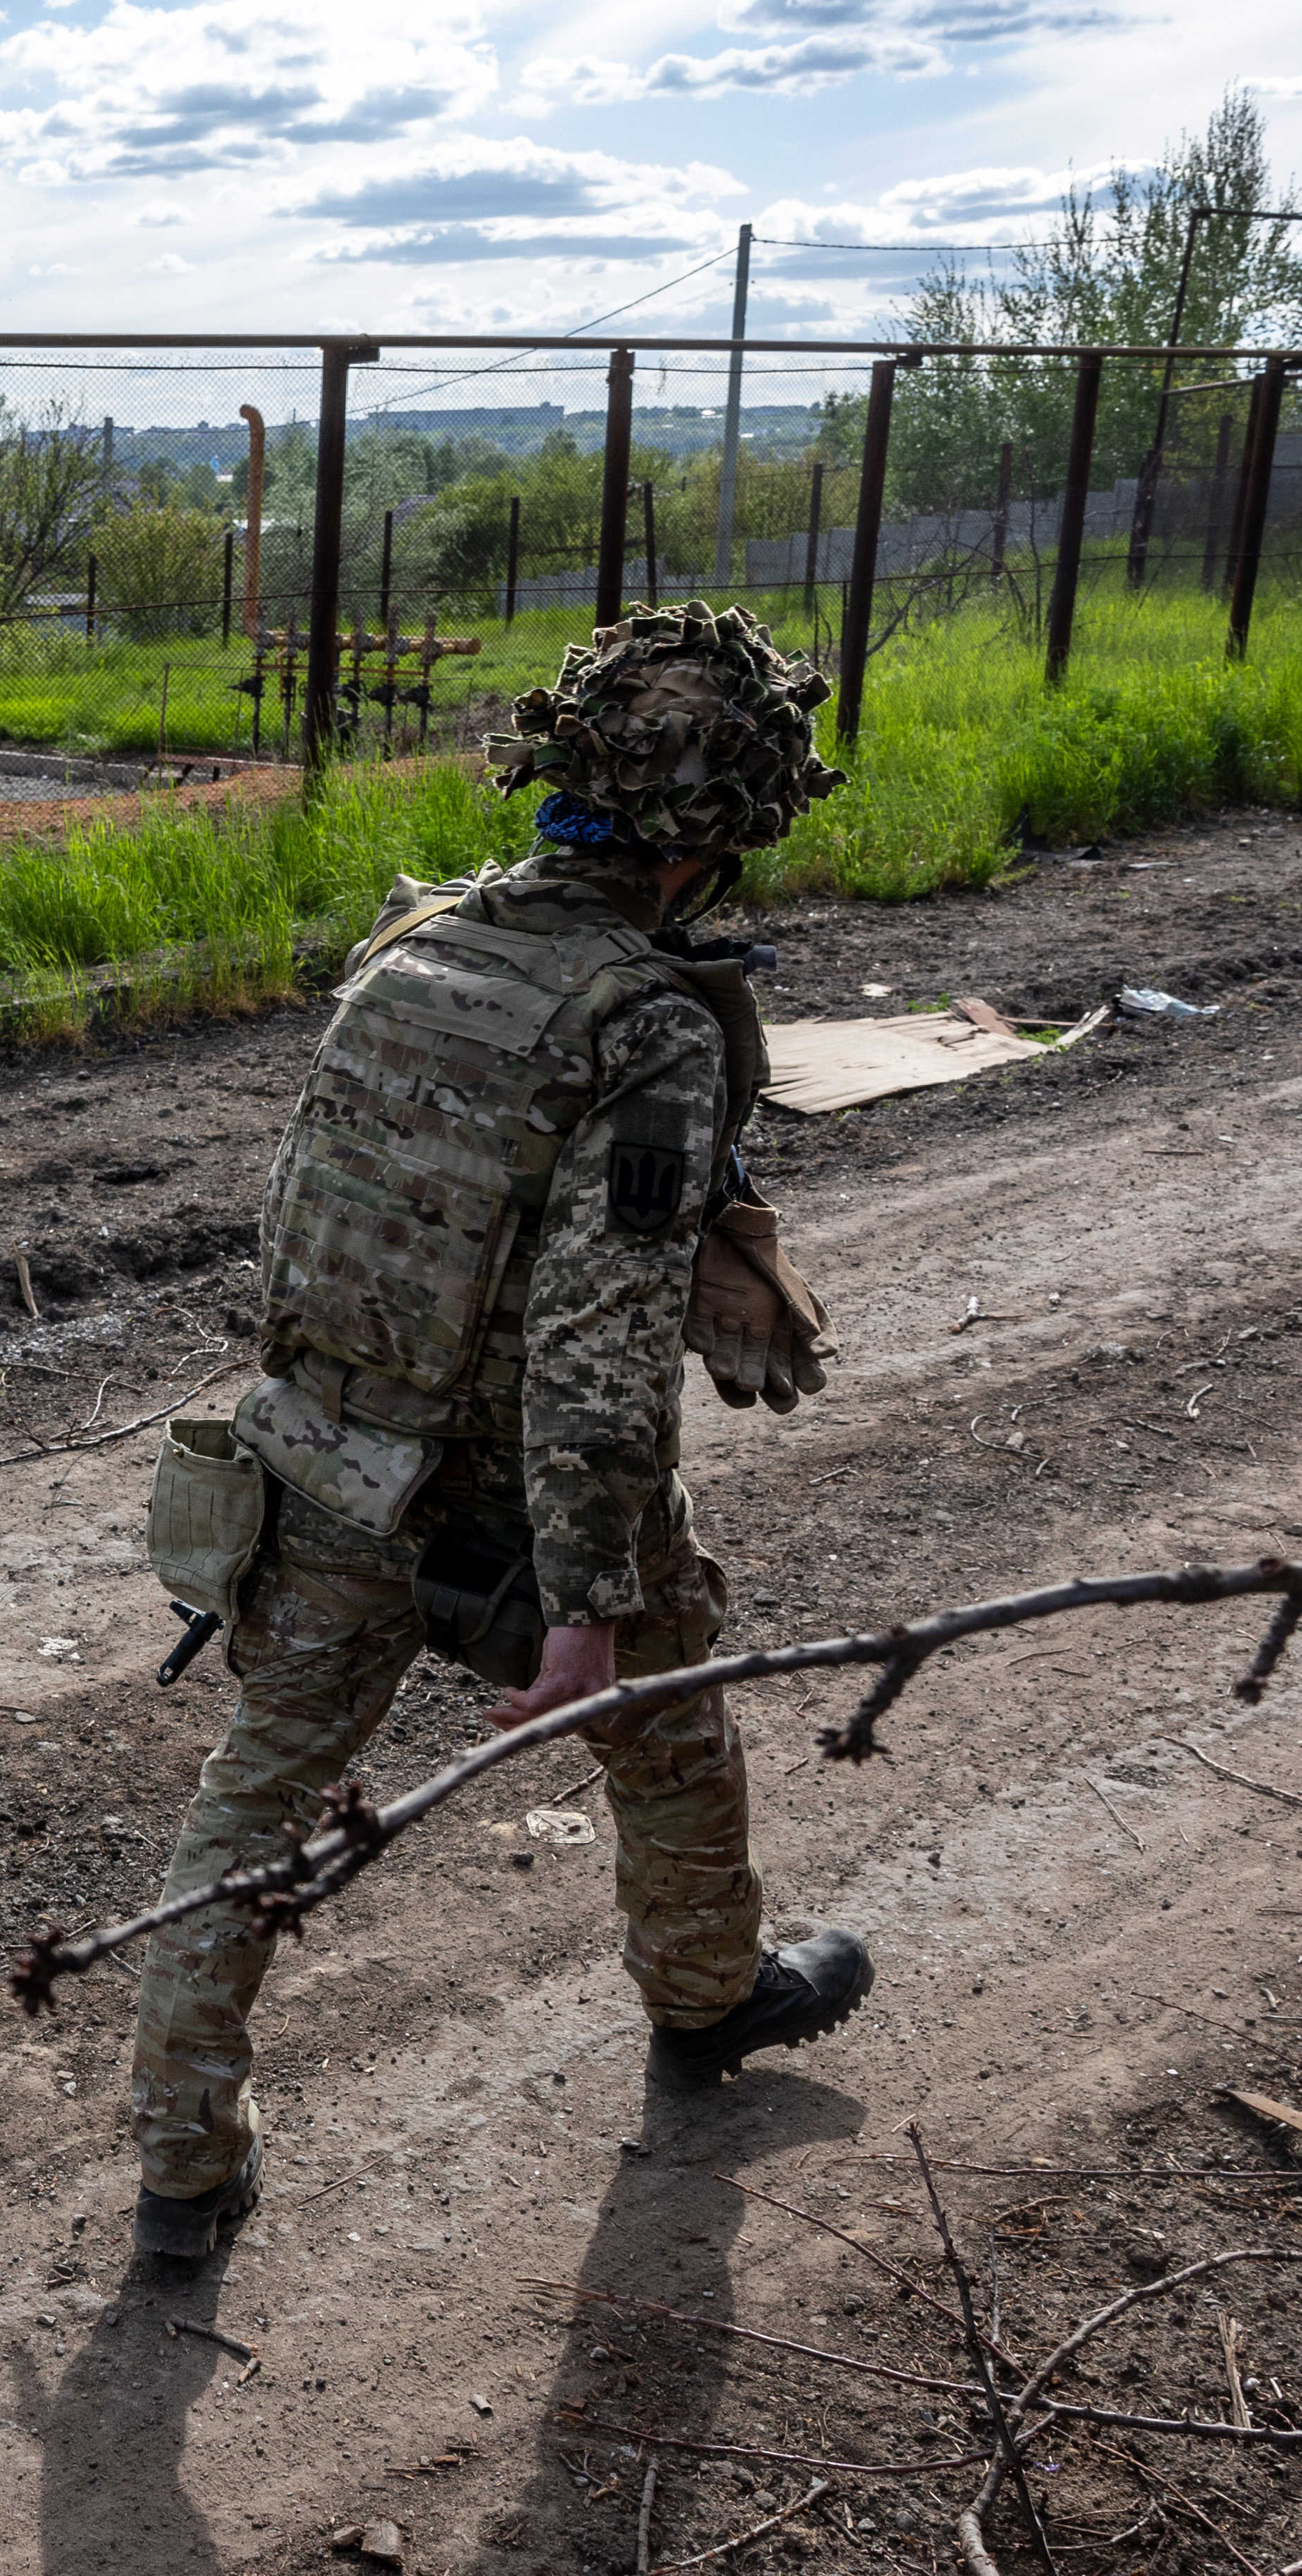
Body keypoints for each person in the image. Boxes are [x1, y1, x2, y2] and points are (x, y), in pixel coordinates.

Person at [127, 602, 872, 2263]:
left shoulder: (412, 942)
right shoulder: (648, 1023)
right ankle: (703, 1998)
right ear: (731, 828)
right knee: (669, 1723)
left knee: (248, 1811)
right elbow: (600, 1339)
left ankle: (179, 2166)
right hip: (506, 1495)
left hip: (316, 1457)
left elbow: (307, 1219)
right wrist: (591, 1588)